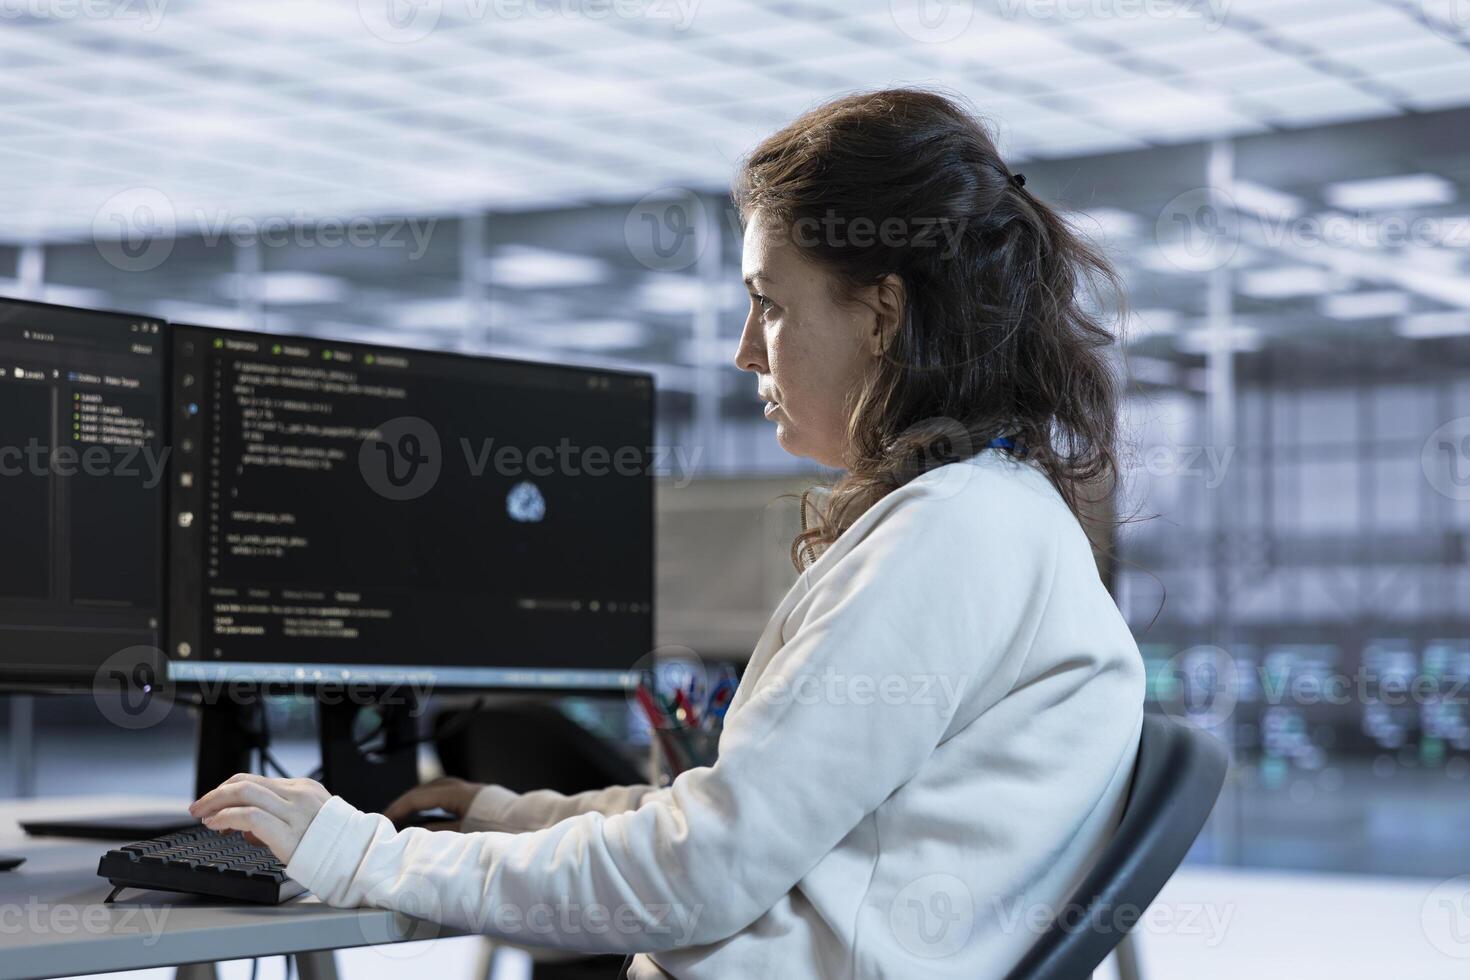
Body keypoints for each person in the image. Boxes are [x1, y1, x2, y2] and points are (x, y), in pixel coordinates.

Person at [192, 88, 1146, 979]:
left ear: (884, 314)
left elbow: (701, 874)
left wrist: (361, 855)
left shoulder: (951, 534)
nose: (743, 347)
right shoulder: (988, 513)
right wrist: (504, 817)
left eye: (769, 303)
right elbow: (742, 826)